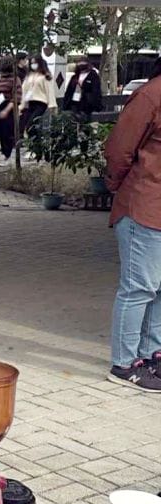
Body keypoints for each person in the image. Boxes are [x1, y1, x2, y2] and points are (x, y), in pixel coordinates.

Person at [104, 57, 161, 393]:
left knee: (158, 288)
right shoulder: (151, 96)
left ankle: (152, 355)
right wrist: (117, 186)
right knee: (139, 288)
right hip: (145, 206)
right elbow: (119, 149)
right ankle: (124, 364)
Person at [0, 55, 22, 167]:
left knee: (6, 134)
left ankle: (6, 156)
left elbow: (16, 97)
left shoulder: (15, 80)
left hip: (7, 107)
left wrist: (6, 110)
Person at [19, 55, 58, 139]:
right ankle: (35, 142)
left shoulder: (45, 76)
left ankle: (36, 142)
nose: (33, 65)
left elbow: (50, 91)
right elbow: (24, 91)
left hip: (41, 103)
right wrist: (21, 105)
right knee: (28, 126)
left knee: (32, 124)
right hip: (30, 103)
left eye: (35, 63)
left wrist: (52, 105)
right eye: (32, 63)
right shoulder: (29, 76)